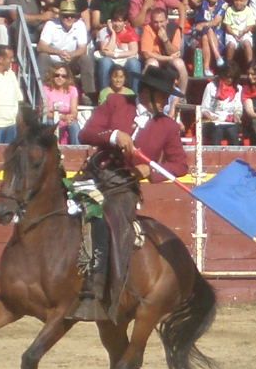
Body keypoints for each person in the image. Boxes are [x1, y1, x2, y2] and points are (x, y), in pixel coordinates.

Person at [76, 71, 190, 311]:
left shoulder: (167, 126)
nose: (166, 101)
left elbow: (180, 165)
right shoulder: (116, 103)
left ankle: (104, 286)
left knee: (115, 224)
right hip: (95, 175)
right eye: (163, 95)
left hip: (123, 186)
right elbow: (85, 133)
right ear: (146, 92)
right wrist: (115, 135)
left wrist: (150, 171)